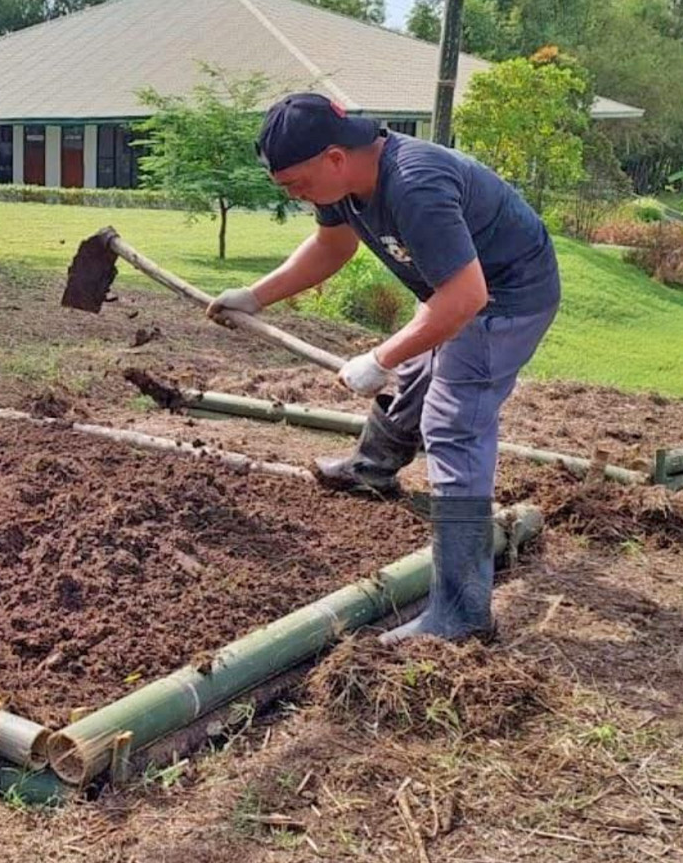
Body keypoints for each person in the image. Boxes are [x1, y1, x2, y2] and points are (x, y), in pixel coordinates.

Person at [206, 93, 560, 642]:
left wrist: (379, 358)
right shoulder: (346, 183)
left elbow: (465, 298)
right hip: (456, 290)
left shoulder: (415, 184)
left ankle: (461, 614)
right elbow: (331, 247)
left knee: (454, 423)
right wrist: (255, 296)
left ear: (334, 158)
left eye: (296, 184)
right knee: (420, 368)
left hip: (506, 298)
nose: (298, 196)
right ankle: (371, 469)